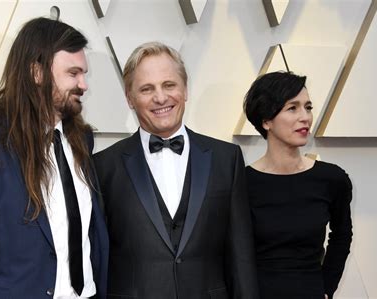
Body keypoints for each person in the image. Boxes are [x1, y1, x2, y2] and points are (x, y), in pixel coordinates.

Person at [0, 17, 108, 299]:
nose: (83, 84)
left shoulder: (82, 140)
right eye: (73, 73)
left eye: (84, 74)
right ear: (37, 73)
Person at [93, 42, 259, 299]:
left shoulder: (227, 159)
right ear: (129, 99)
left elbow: (241, 256)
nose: (160, 97)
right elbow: (96, 258)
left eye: (169, 85)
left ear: (185, 89)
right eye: (147, 89)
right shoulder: (103, 166)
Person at [243, 71, 353, 299]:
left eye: (308, 107)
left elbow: (341, 234)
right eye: (292, 108)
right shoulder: (242, 183)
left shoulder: (332, 179)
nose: (305, 117)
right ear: (266, 120)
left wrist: (326, 287)